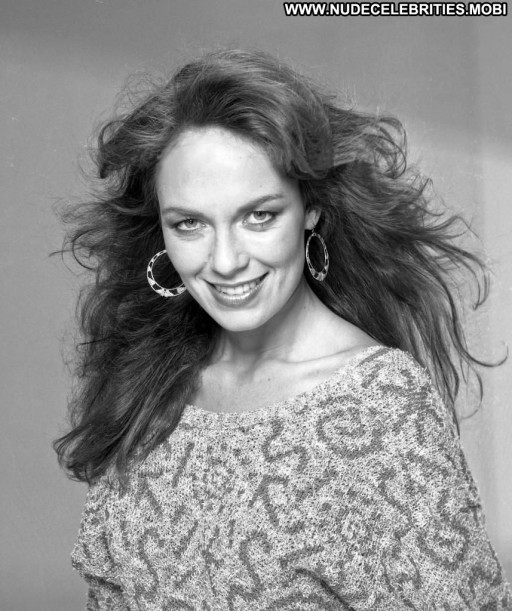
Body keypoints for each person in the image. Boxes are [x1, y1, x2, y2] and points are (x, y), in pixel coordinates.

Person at [55, 48, 512, 610]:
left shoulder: (380, 405)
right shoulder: (151, 384)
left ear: (311, 207)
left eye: (259, 216)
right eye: (190, 223)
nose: (225, 261)